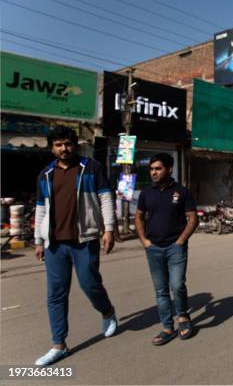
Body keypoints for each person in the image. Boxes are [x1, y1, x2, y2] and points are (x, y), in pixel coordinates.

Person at [33, 125, 117, 366]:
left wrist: (108, 229)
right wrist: (39, 240)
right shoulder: (45, 174)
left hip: (85, 239)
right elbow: (41, 209)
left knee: (90, 284)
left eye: (68, 144)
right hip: (54, 244)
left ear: (75, 144)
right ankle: (59, 345)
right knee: (55, 295)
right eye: (58, 144)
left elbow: (105, 197)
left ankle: (107, 311)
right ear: (52, 147)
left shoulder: (91, 168)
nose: (64, 149)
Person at [135, 153, 198, 345]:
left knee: (177, 285)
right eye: (152, 169)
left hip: (175, 247)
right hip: (153, 248)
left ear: (169, 169)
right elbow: (138, 217)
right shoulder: (146, 193)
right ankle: (167, 327)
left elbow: (193, 218)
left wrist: (181, 241)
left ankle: (183, 318)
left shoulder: (182, 192)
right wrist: (144, 241)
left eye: (158, 168)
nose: (154, 172)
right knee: (161, 290)